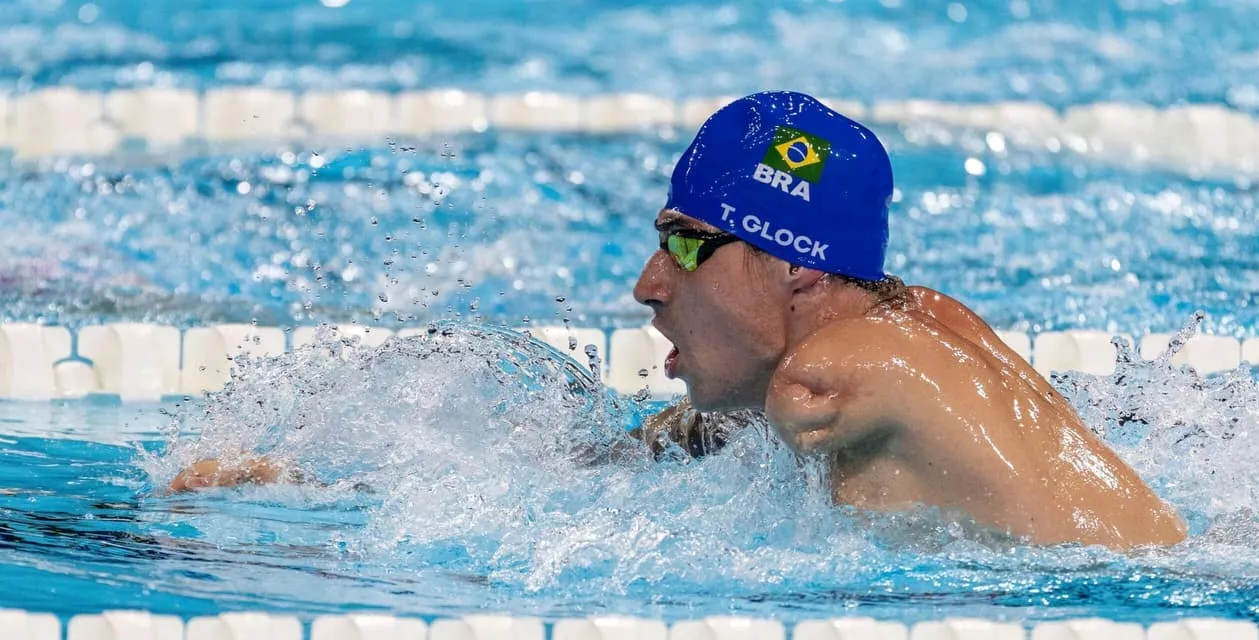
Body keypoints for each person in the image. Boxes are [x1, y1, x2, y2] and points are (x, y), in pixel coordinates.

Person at [172, 91, 1186, 550]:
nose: (649, 283)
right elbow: (647, 465)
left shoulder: (822, 382)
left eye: (686, 243)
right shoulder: (919, 321)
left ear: (793, 268)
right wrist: (313, 492)